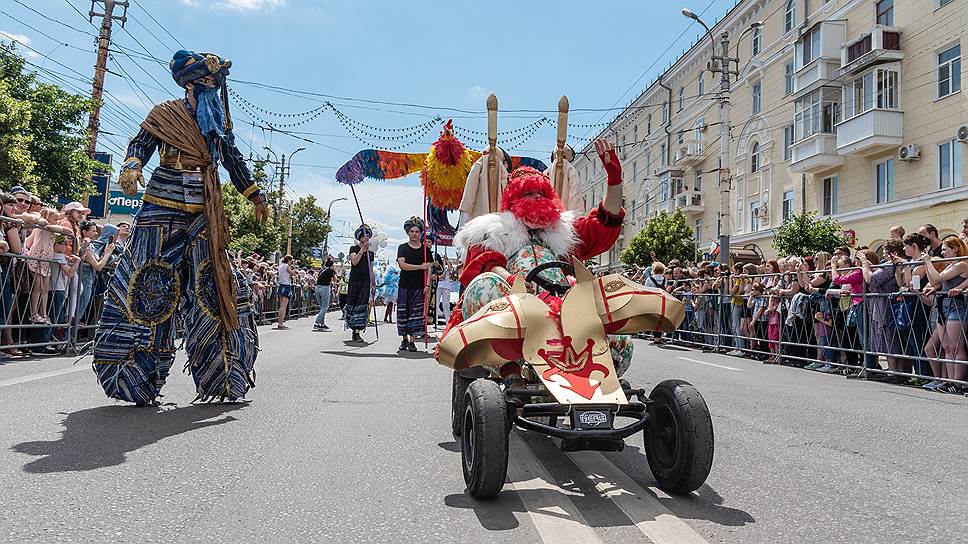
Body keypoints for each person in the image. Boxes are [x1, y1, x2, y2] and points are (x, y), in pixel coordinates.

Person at [93, 49, 268, 405]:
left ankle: (224, 375)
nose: (210, 86)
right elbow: (140, 144)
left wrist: (255, 195)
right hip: (161, 207)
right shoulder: (165, 114)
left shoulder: (216, 122)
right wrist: (131, 167)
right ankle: (134, 377)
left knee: (214, 286)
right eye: (204, 81)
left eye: (214, 82)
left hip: (205, 210)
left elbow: (233, 160)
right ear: (189, 84)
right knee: (149, 286)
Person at [450, 139, 629, 377]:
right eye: (528, 193)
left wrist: (614, 181)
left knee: (608, 309)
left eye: (540, 193)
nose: (536, 198)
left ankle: (599, 371)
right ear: (513, 201)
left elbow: (605, 222)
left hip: (564, 310)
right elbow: (484, 263)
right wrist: (513, 280)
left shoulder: (565, 231)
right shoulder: (493, 229)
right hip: (514, 312)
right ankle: (510, 368)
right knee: (482, 286)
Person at [921, 237, 968, 393]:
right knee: (947, 346)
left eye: (945, 249)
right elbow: (935, 281)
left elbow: (937, 278)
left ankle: (958, 383)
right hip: (944, 307)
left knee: (956, 347)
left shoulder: (961, 264)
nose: (942, 252)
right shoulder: (949, 266)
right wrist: (935, 287)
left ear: (955, 249)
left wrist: (928, 262)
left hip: (957, 307)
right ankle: (949, 381)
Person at [397, 217, 434, 352]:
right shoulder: (402, 248)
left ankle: (412, 341)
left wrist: (428, 285)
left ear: (420, 233)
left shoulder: (426, 250)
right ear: (408, 232)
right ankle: (404, 339)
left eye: (417, 231)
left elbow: (429, 268)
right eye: (412, 231)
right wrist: (420, 267)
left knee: (416, 313)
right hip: (404, 285)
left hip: (419, 286)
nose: (414, 233)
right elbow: (402, 265)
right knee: (403, 313)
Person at [346, 225, 375, 343]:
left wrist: (374, 283)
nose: (366, 237)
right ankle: (353, 328)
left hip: (365, 281)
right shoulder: (353, 248)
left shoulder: (371, 253)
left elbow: (371, 270)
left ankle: (357, 331)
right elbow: (354, 262)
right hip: (354, 280)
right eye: (364, 235)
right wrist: (362, 250)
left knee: (362, 305)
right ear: (359, 237)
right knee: (353, 304)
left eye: (368, 235)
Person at [314, 258, 335, 331]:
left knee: (321, 307)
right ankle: (317, 323)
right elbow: (335, 280)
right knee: (325, 307)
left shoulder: (321, 270)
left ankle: (322, 324)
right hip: (325, 287)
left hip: (317, 287)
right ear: (332, 265)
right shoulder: (331, 270)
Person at [276, 255, 293, 329]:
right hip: (286, 285)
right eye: (291, 260)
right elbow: (293, 273)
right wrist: (294, 269)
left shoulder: (281, 265)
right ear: (289, 260)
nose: (292, 262)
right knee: (283, 305)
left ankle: (281, 322)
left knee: (281, 305)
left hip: (281, 285)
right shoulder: (286, 265)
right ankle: (280, 323)